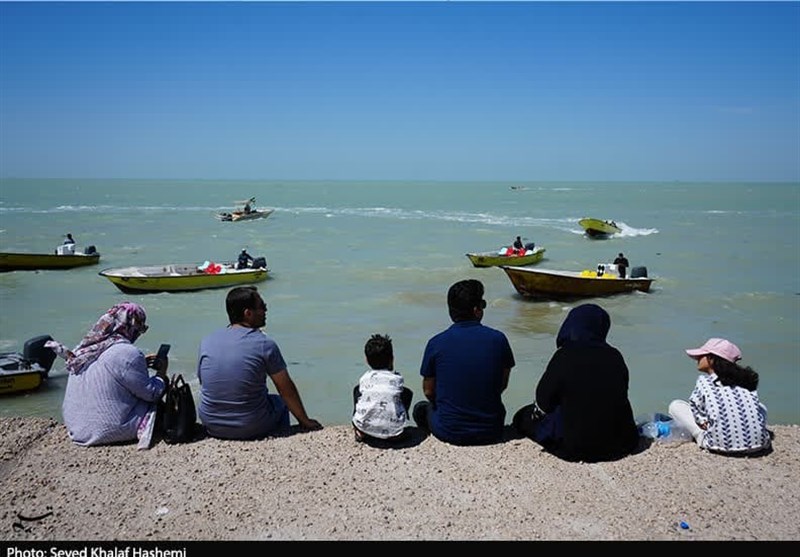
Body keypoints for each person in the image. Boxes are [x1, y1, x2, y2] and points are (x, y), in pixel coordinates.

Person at [512, 303, 639, 462]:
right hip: (621, 444)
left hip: (575, 447)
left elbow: (544, 403)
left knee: (522, 416)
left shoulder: (564, 355)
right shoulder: (615, 356)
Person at [197, 286, 322, 440]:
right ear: (248, 314)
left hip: (211, 423)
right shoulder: (264, 344)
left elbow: (205, 382)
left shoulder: (207, 341)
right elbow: (286, 389)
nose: (266, 310)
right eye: (262, 307)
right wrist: (305, 421)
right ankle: (281, 441)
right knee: (279, 402)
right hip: (250, 425)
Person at [45, 302, 169, 448]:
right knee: (154, 399)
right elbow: (152, 393)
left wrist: (140, 365)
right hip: (107, 430)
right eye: (140, 329)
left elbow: (107, 370)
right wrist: (162, 373)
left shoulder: (82, 350)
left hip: (76, 430)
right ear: (131, 326)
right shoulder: (127, 353)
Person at [412, 279, 515, 446]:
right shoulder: (499, 339)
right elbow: (501, 385)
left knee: (420, 409)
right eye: (482, 303)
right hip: (492, 429)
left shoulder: (436, 343)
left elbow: (429, 391)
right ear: (476, 310)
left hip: (449, 431)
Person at [668, 338, 771, 455]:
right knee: (760, 406)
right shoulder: (743, 382)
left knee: (675, 406)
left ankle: (702, 436)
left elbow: (697, 414)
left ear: (711, 359)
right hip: (759, 445)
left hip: (717, 446)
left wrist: (705, 422)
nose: (697, 358)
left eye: (701, 355)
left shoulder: (704, 381)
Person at [352, 334, 413, 444]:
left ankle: (360, 428)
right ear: (392, 359)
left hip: (365, 430)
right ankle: (396, 421)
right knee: (406, 392)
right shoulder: (396, 379)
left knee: (358, 390)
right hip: (396, 436)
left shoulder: (365, 379)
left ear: (366, 360)